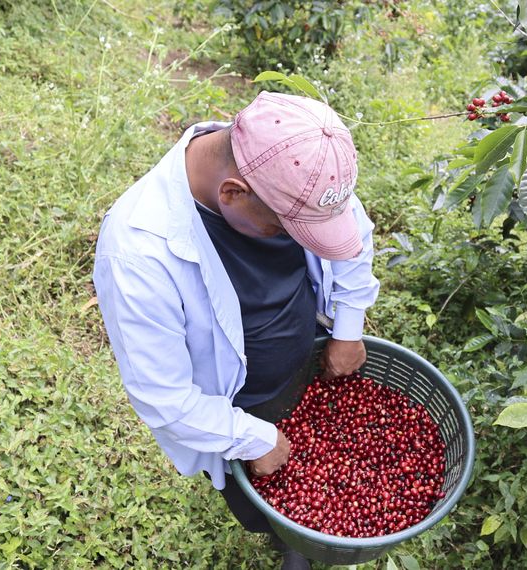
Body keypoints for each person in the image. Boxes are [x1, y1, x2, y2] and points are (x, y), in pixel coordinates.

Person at [92, 91, 380, 569]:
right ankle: (289, 537)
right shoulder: (137, 253)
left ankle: (299, 542)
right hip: (236, 403)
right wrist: (250, 437)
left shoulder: (300, 161)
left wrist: (348, 325)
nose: (300, 241)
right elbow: (163, 395)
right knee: (259, 500)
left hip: (300, 362)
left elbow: (349, 237)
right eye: (285, 230)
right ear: (232, 193)